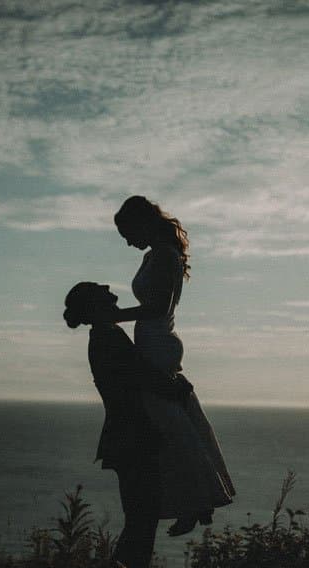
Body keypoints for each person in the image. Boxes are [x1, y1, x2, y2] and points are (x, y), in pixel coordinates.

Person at [109, 195, 235, 536]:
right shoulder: (155, 255)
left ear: (141, 223)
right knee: (170, 424)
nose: (127, 242)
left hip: (158, 340)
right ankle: (197, 500)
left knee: (170, 427)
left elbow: (158, 308)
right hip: (153, 339)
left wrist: (114, 316)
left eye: (127, 233)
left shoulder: (165, 255)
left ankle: (196, 500)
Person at [63, 282, 192, 568]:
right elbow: (141, 375)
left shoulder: (105, 337)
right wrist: (176, 387)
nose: (111, 289)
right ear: (95, 306)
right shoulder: (108, 338)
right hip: (132, 438)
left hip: (127, 437)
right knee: (141, 522)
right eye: (101, 290)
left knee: (140, 520)